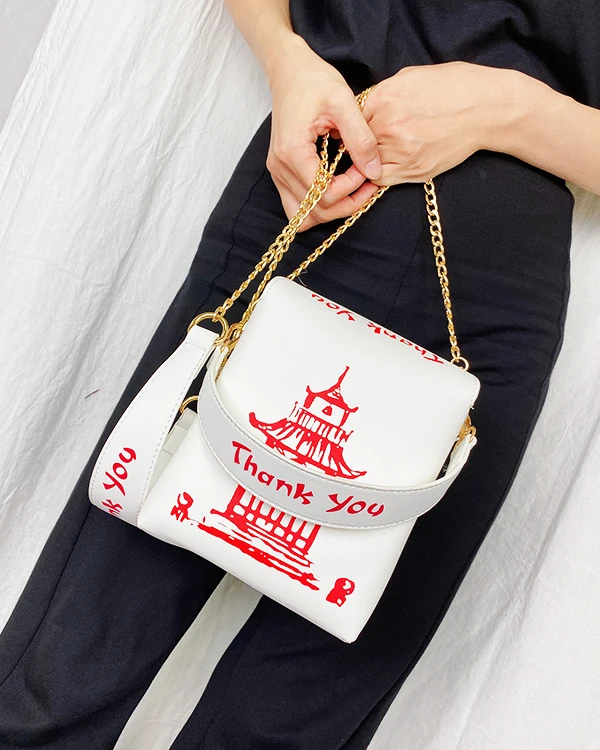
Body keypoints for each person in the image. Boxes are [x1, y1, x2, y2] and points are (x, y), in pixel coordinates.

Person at [1, 1, 599, 748]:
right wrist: (286, 60)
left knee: (297, 713)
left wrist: (506, 108)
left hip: (490, 293)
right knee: (74, 655)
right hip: (310, 189)